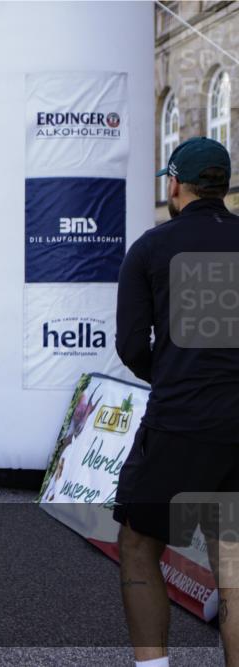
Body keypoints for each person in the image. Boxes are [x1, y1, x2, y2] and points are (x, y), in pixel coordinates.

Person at [114, 136, 239, 667]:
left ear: (174, 185)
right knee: (231, 564)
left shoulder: (151, 246)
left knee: (139, 544)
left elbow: (128, 345)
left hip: (180, 422)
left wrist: (168, 374)